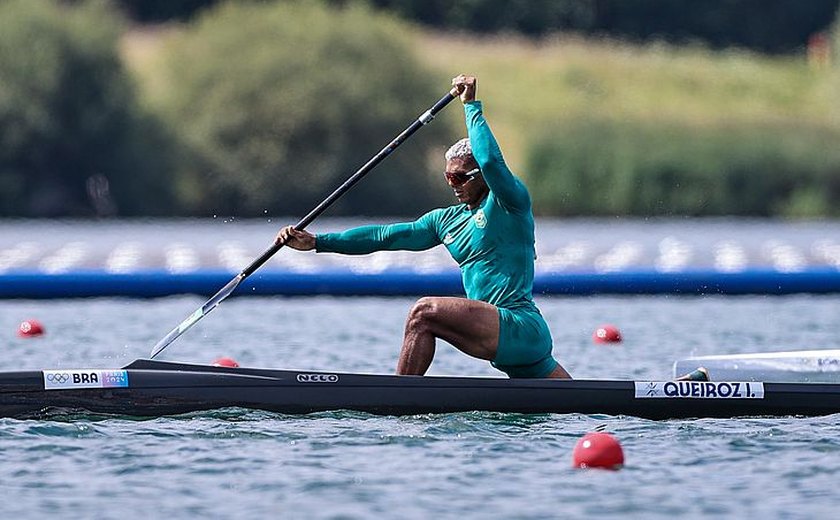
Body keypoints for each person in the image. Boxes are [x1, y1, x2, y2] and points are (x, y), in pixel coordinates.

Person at [277, 74, 572, 379]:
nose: (452, 185)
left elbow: (492, 162)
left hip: (518, 326)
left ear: (480, 175)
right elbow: (384, 237)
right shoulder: (446, 220)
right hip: (508, 345)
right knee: (580, 407)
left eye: (459, 177)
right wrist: (318, 242)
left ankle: (397, 399)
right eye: (448, 177)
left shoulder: (509, 202)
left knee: (423, 313)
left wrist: (470, 105)